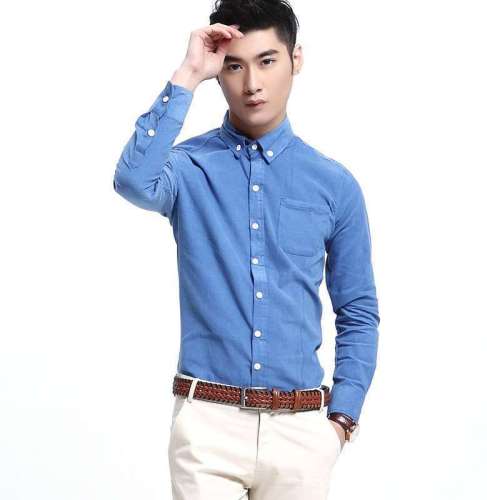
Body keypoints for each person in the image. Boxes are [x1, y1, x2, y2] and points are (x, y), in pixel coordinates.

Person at [113, 0, 380, 498]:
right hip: (208, 426)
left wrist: (342, 419)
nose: (252, 83)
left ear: (295, 60)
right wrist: (188, 74)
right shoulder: (188, 168)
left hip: (301, 432)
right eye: (234, 67)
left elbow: (358, 311)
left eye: (266, 61)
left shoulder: (334, 185)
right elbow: (132, 180)